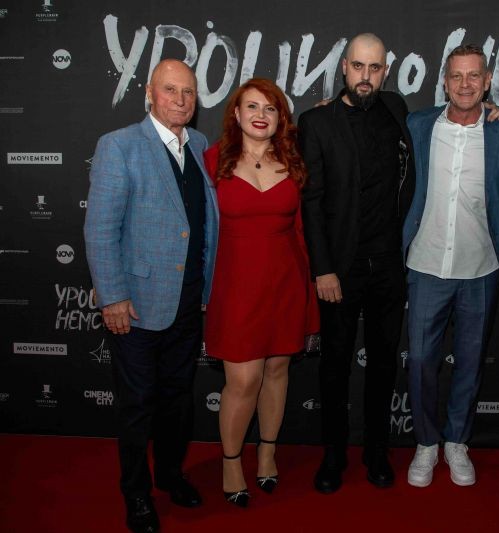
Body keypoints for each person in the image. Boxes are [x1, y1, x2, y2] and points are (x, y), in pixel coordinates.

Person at [84, 59, 219, 533]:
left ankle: (171, 475)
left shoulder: (199, 144)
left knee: (178, 401)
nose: (181, 100)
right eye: (170, 90)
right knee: (138, 404)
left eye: (189, 92)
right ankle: (137, 494)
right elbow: (100, 229)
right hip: (136, 304)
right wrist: (112, 297)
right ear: (149, 93)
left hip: (188, 301)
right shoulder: (119, 146)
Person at [298, 33, 415, 494]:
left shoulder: (397, 109)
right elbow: (311, 201)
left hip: (388, 264)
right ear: (344, 67)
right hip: (339, 269)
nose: (366, 76)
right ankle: (333, 456)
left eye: (376, 68)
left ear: (385, 71)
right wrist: (323, 269)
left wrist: (490, 109)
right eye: (359, 66)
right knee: (335, 367)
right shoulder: (316, 121)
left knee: (384, 365)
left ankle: (376, 452)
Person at [402, 45, 499, 488]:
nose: (465, 84)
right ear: (445, 81)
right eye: (456, 76)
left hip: (481, 267)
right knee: (420, 361)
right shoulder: (418, 125)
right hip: (425, 263)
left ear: (487, 81)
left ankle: (456, 441)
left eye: (474, 76)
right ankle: (426, 443)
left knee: (470, 363)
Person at [203, 78, 320, 507]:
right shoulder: (211, 159)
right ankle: (231, 461)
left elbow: (302, 231)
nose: (260, 115)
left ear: (280, 119)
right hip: (235, 285)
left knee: (276, 370)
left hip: (285, 281)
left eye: (271, 109)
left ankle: (267, 452)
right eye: (252, 106)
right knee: (243, 379)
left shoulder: (292, 161)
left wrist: (308, 292)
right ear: (236, 114)